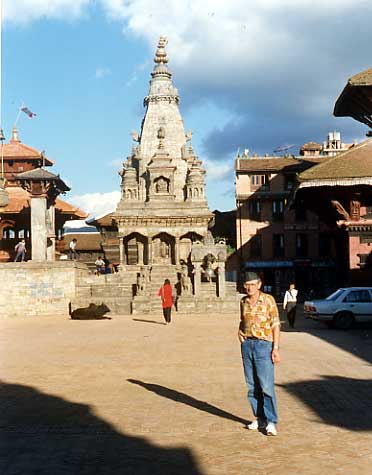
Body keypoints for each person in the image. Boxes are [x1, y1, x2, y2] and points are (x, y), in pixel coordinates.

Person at [238, 272, 281, 436]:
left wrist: (275, 348)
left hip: (264, 345)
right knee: (252, 386)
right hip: (247, 345)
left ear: (259, 284)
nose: (249, 287)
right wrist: (239, 332)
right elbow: (242, 320)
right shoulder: (243, 301)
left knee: (266, 386)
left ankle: (271, 421)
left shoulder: (268, 300)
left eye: (252, 284)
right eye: (246, 284)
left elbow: (276, 324)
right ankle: (260, 418)